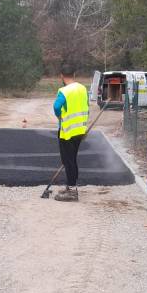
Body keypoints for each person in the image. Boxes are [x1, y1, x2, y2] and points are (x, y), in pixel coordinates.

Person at [53, 63, 89, 202]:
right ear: (74, 74)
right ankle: (70, 186)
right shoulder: (83, 88)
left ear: (61, 76)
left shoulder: (64, 91)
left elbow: (56, 106)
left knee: (68, 161)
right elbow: (86, 106)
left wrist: (60, 117)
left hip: (67, 131)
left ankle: (72, 192)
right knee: (72, 159)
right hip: (80, 130)